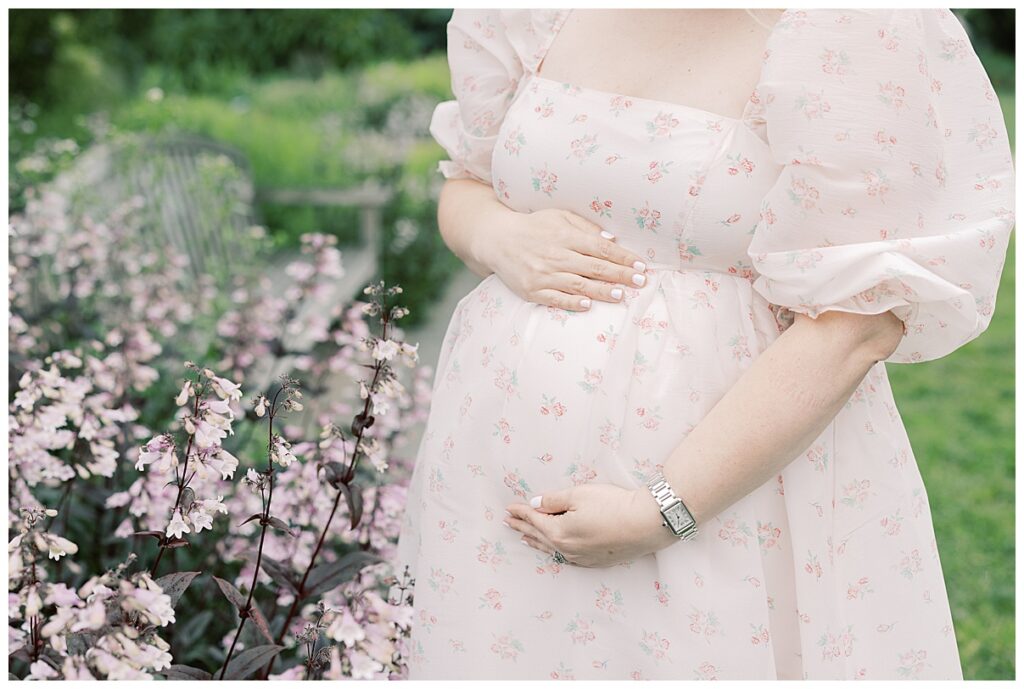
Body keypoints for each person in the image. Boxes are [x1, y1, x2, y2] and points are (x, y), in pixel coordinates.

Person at [392, 7, 1014, 680]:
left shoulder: (849, 25)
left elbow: (859, 321)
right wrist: (495, 235)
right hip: (492, 487)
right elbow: (468, 180)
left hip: (727, 505)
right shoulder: (533, 12)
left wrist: (659, 509)